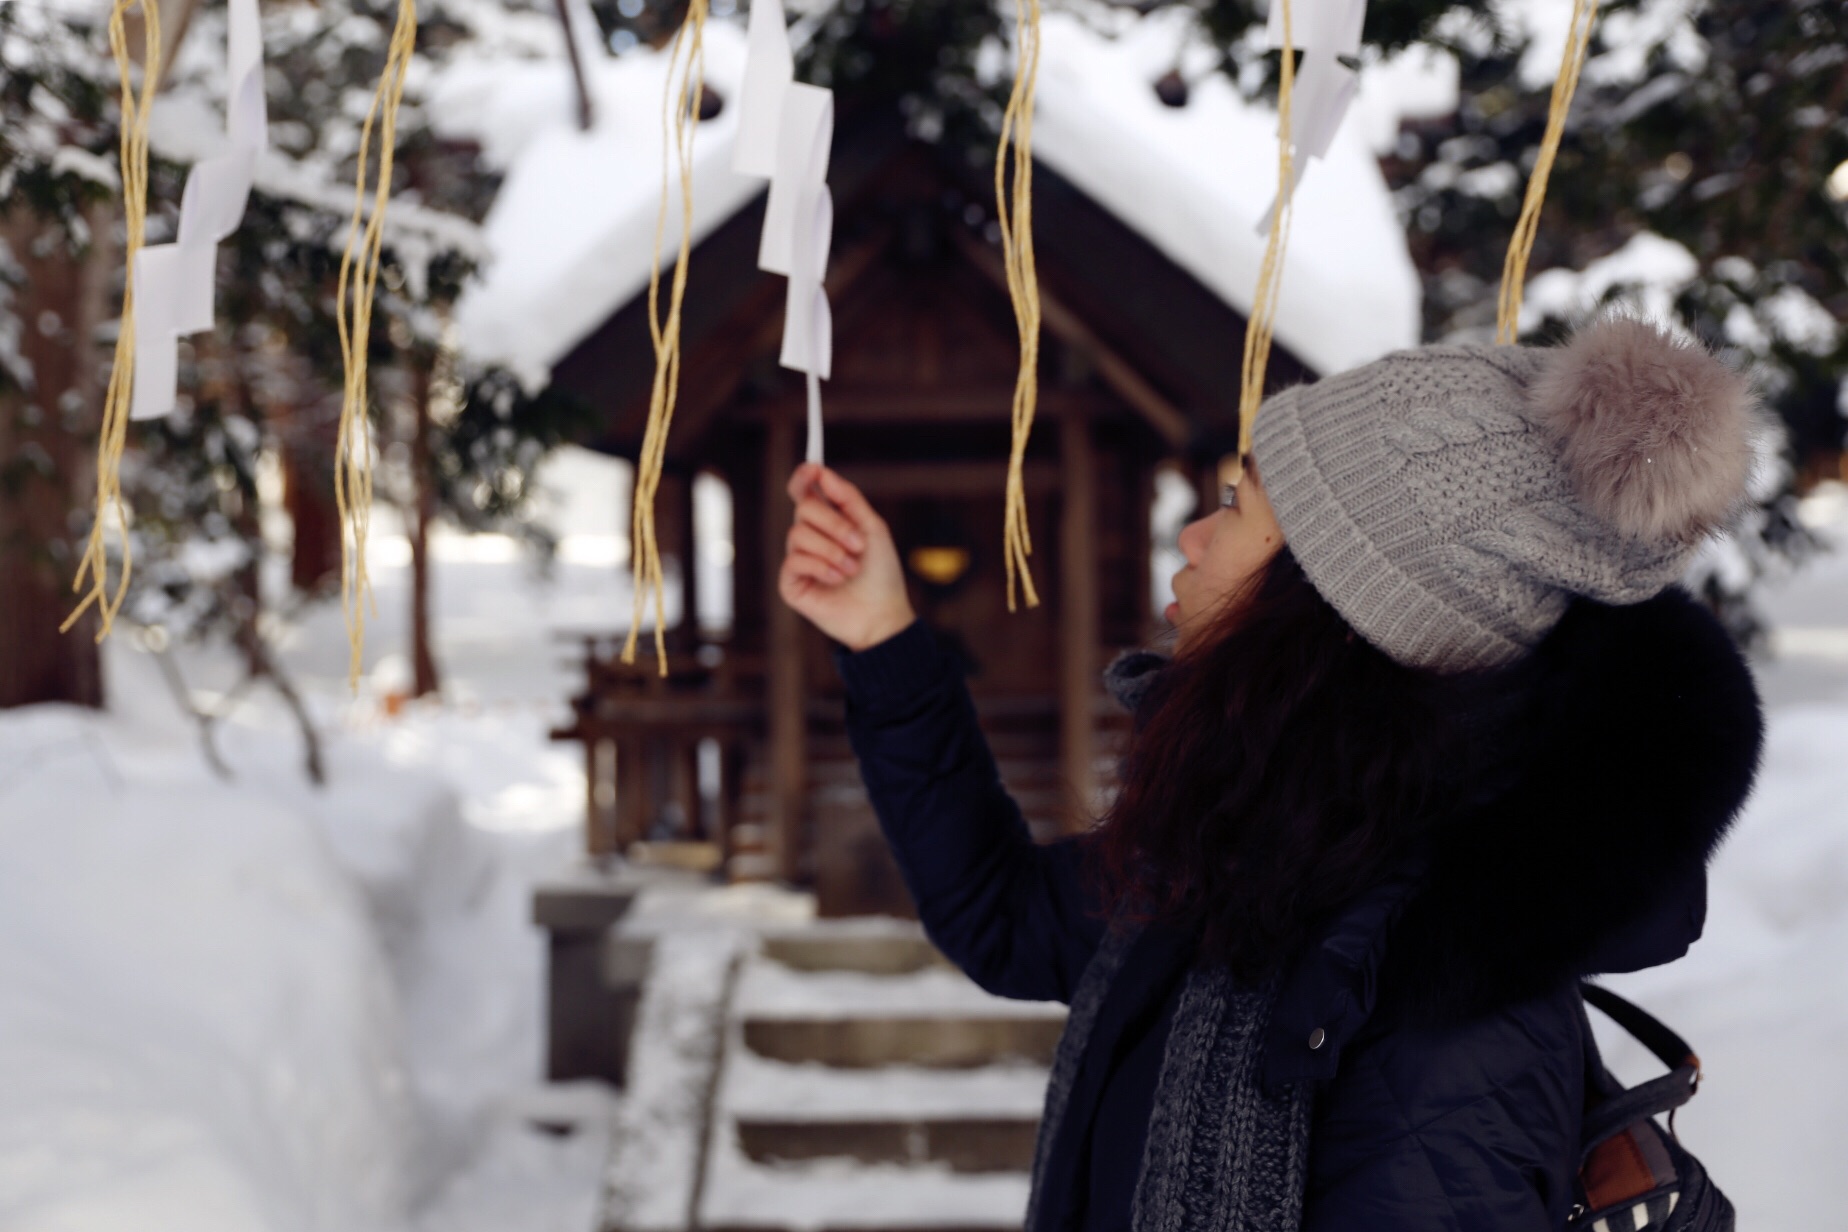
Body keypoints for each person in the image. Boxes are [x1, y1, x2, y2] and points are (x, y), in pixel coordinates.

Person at [776, 317, 1765, 1232]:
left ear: (1338, 607)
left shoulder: (1452, 1033)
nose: (1194, 538)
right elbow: (1005, 915)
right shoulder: (1256, 852)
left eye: (1239, 507)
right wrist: (885, 640)